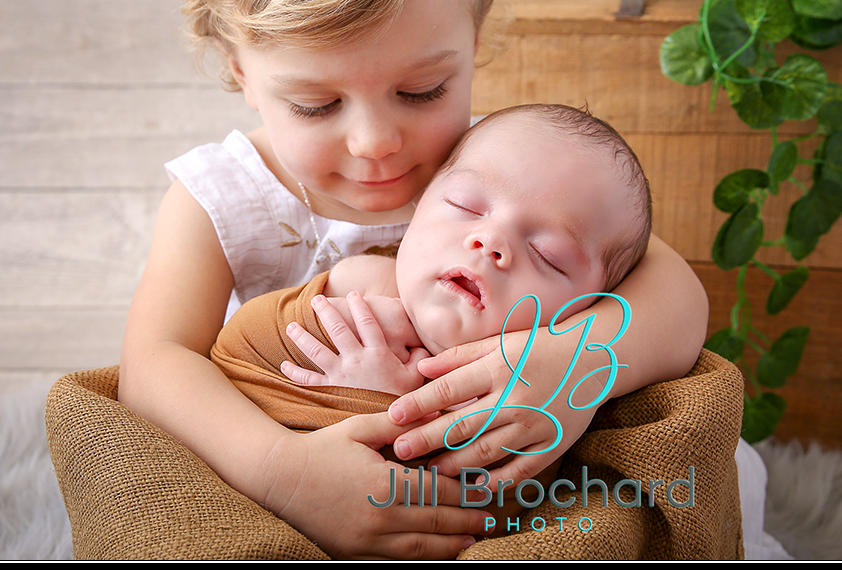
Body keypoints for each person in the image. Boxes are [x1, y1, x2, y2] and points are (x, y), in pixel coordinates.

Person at [118, 0, 709, 560]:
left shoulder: (498, 172)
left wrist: (576, 364)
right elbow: (154, 364)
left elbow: (676, 294)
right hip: (289, 449)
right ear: (241, 71)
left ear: (474, 36)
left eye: (422, 90)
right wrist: (283, 473)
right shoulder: (228, 196)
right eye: (316, 106)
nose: (375, 142)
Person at [210, 103, 652, 431]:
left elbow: (474, 490)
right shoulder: (358, 288)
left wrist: (385, 402)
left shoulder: (534, 389)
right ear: (418, 204)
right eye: (465, 205)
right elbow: (244, 350)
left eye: (547, 255)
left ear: (591, 306)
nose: (491, 241)